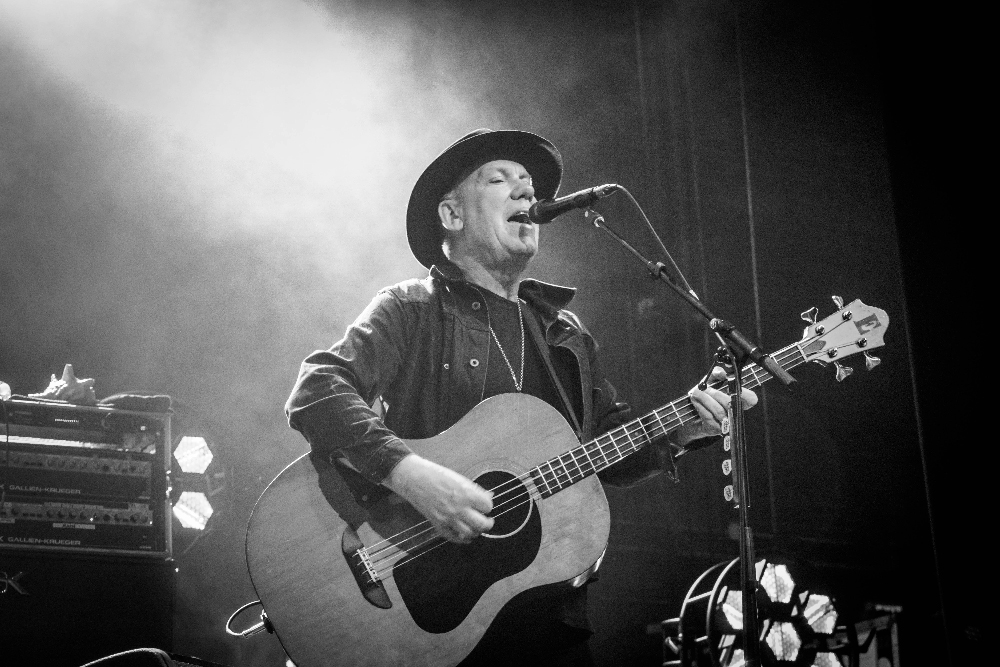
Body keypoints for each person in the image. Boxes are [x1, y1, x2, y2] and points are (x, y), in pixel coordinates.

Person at [285, 129, 757, 666]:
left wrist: (682, 428)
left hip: (546, 617)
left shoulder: (564, 334)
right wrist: (411, 474)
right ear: (452, 215)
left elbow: (604, 448)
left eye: (529, 185)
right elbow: (318, 388)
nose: (526, 194)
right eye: (500, 179)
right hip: (427, 611)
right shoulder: (411, 308)